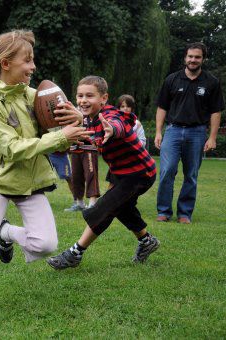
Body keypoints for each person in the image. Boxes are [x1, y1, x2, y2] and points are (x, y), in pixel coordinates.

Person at [0, 30, 92, 309]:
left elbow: (62, 122)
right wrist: (61, 137)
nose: (33, 67)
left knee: (46, 243)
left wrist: (77, 117)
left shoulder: (33, 95)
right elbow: (12, 148)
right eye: (27, 60)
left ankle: (6, 233)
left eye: (33, 60)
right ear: (6, 63)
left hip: (30, 182)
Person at [47, 76, 159, 270]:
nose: (83, 100)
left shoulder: (110, 115)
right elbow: (82, 137)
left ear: (104, 98)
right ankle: (147, 241)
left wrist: (112, 129)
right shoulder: (86, 119)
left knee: (104, 208)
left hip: (140, 172)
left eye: (89, 96)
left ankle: (75, 253)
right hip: (121, 173)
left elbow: (119, 125)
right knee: (123, 208)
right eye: (80, 95)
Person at [154, 42, 224, 224]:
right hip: (173, 131)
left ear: (203, 59)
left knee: (191, 174)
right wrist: (158, 132)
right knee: (167, 171)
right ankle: (163, 211)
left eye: (197, 57)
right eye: (190, 56)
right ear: (185, 58)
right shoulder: (172, 79)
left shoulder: (212, 82)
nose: (193, 60)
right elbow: (162, 107)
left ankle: (185, 214)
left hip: (197, 133)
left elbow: (216, 112)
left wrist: (212, 137)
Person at [64, 113, 100, 212]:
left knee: (90, 174)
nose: (83, 100)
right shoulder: (72, 112)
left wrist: (86, 136)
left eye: (87, 96)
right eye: (80, 96)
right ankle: (79, 203)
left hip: (89, 149)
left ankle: (93, 204)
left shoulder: (94, 114)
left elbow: (97, 131)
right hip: (75, 149)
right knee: (75, 176)